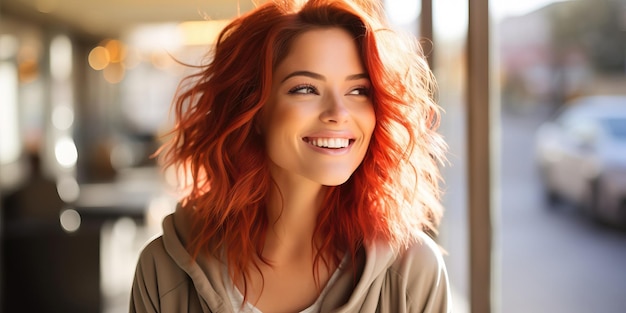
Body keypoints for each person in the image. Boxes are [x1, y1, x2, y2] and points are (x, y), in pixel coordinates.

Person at [130, 0, 451, 312]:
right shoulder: (163, 271)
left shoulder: (413, 274)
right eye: (306, 88)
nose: (339, 113)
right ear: (254, 110)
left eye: (358, 91)